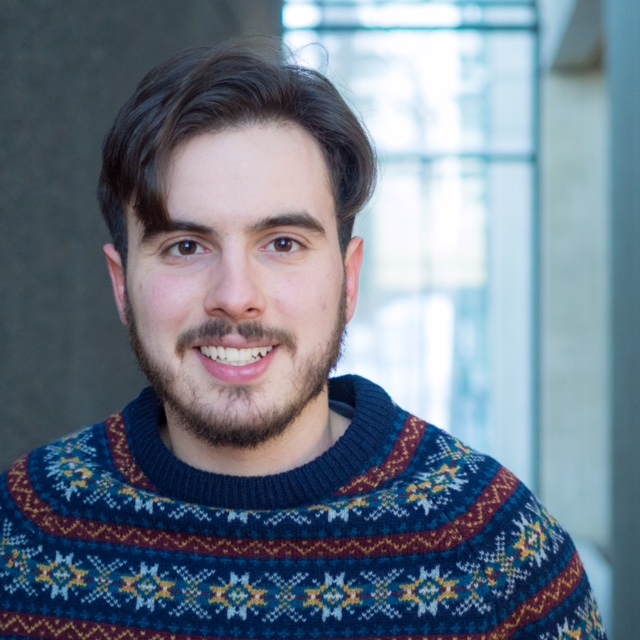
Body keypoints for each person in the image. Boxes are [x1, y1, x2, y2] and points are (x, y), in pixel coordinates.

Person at [0, 41, 606, 639]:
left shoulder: (495, 553)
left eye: (283, 243)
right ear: (122, 284)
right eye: (185, 247)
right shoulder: (24, 532)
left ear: (348, 277)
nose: (236, 295)